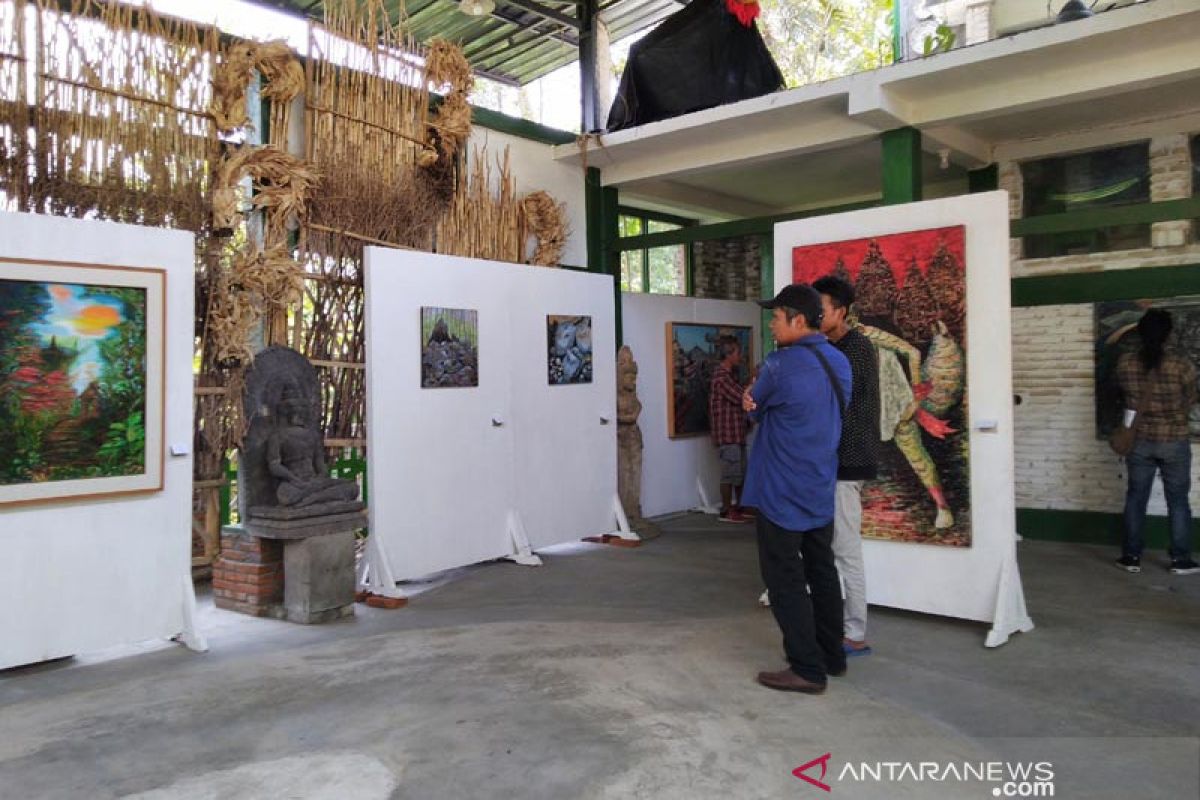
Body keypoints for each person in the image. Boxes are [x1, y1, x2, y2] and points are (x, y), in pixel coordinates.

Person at [741, 283, 851, 694]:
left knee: (784, 577)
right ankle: (831, 655)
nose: (771, 324)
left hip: (781, 490)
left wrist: (750, 397)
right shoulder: (839, 362)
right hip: (818, 486)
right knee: (822, 570)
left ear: (798, 320)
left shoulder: (779, 364)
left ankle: (806, 668)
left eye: (775, 316)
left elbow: (755, 403)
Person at [814, 275, 881, 658]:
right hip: (833, 462)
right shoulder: (835, 346)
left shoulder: (855, 349)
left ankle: (855, 633)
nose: (815, 316)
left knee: (846, 550)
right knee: (834, 549)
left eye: (820, 309)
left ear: (840, 311)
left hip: (846, 462)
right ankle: (841, 626)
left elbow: (844, 409)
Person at [1115, 309, 1200, 575]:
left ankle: (1131, 557)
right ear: (1168, 334)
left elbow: (1124, 394)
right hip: (1174, 440)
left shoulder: (1125, 363)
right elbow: (1192, 398)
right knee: (1177, 501)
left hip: (1139, 440)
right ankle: (1181, 560)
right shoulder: (1182, 365)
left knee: (1135, 498)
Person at [709, 335, 750, 523]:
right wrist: (754, 384)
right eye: (737, 352)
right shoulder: (722, 377)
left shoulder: (727, 376)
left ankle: (739, 507)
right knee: (730, 474)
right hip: (728, 435)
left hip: (735, 434)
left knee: (739, 473)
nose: (740, 356)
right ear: (729, 354)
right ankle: (727, 510)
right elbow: (740, 396)